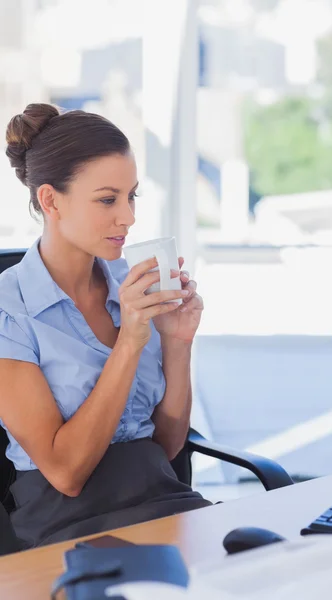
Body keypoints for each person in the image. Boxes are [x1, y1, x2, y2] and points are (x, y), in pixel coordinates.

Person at [0, 103, 211, 549]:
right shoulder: (10, 310)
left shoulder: (129, 286)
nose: (128, 217)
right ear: (50, 200)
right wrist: (131, 340)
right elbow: (67, 473)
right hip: (68, 528)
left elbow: (169, 446)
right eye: (107, 199)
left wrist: (177, 342)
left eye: (132, 196)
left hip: (163, 503)